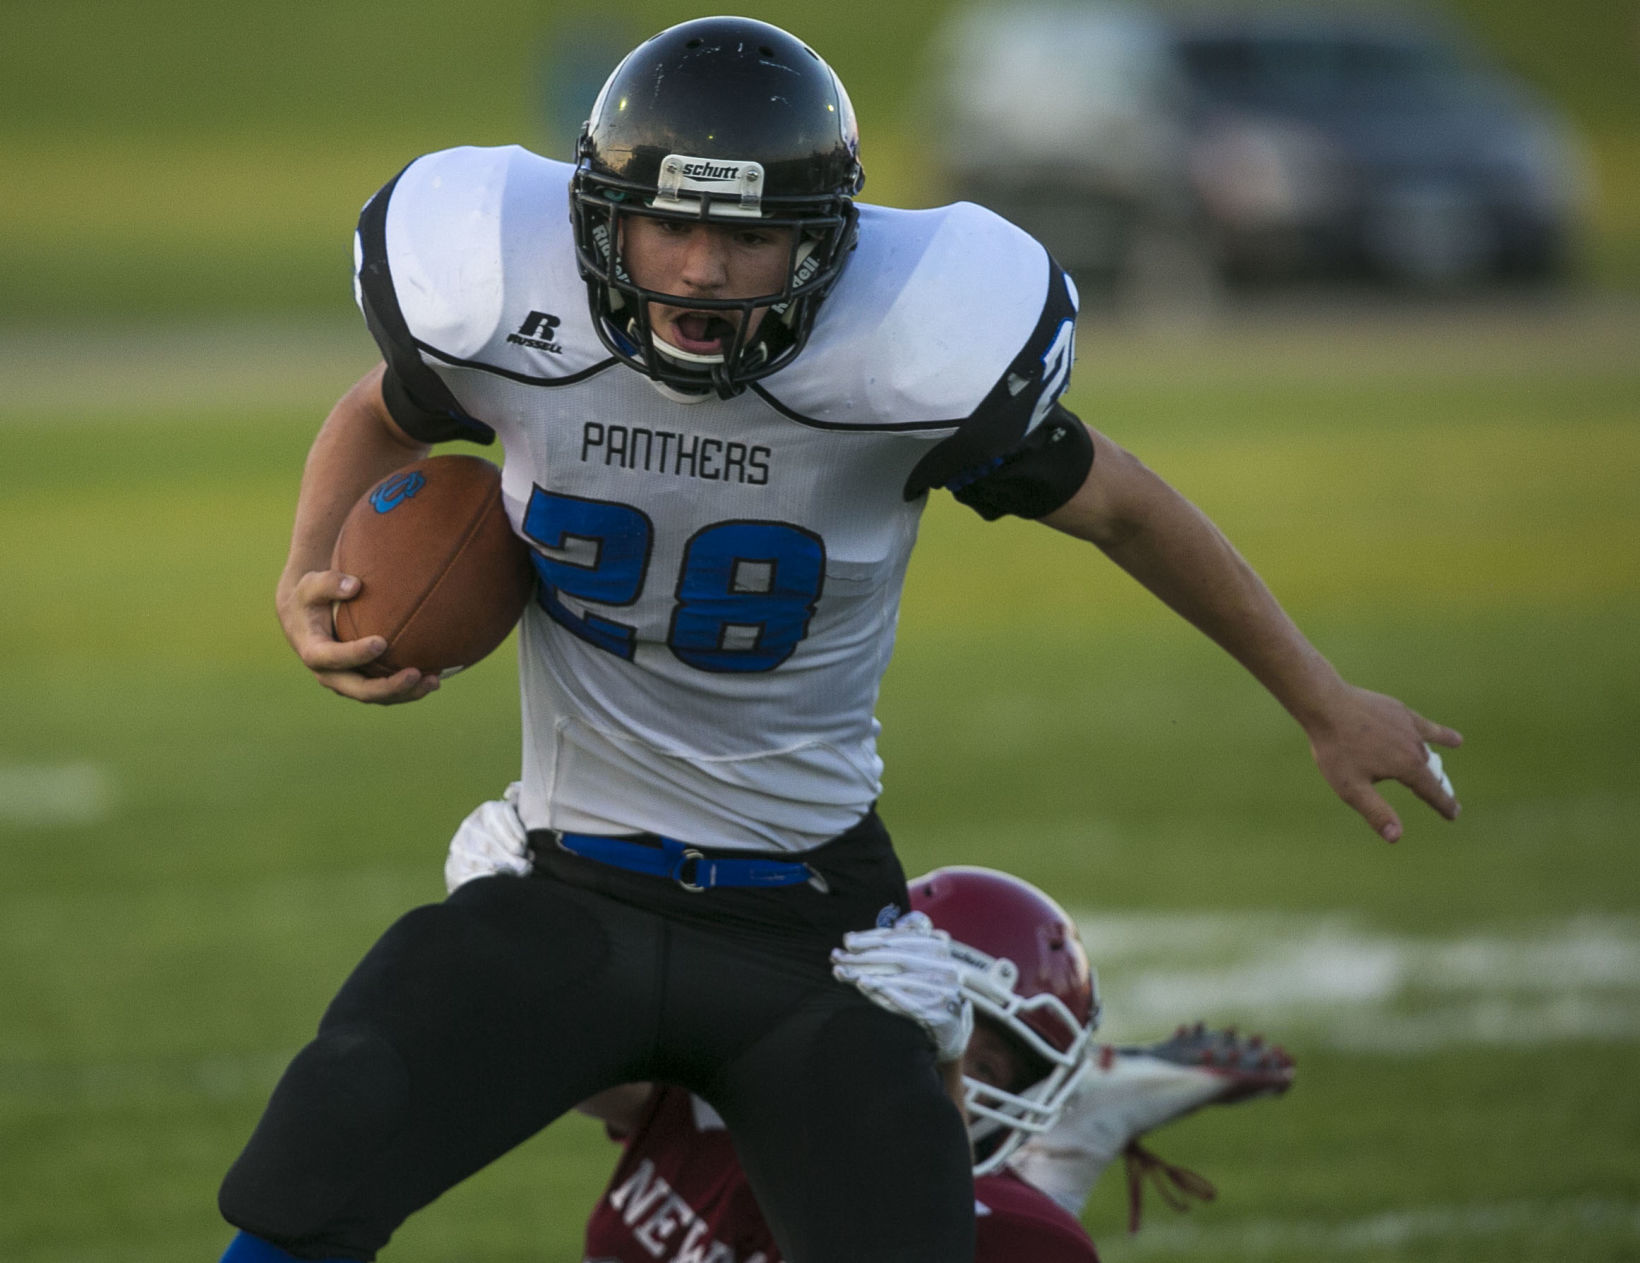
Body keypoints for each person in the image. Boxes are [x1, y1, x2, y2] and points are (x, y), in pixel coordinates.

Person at [221, 14, 1459, 1263]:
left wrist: (1319, 698)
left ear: (824, 246)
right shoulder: (508, 309)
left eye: (749, 234)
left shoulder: (904, 357)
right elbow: (382, 410)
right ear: (599, 220)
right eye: (673, 224)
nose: (701, 268)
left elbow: (1126, 508)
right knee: (307, 1178)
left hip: (810, 935)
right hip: (569, 883)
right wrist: (304, 568)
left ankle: (1054, 1154)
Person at [444, 812, 1291, 1263]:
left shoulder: (1022, 1235)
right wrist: (521, 928)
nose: (951, 1072)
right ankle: (1071, 1143)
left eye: (980, 1061)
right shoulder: (734, 1079)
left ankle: (1064, 1154)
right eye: (928, 1036)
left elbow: (926, 1189)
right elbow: (579, 1061)